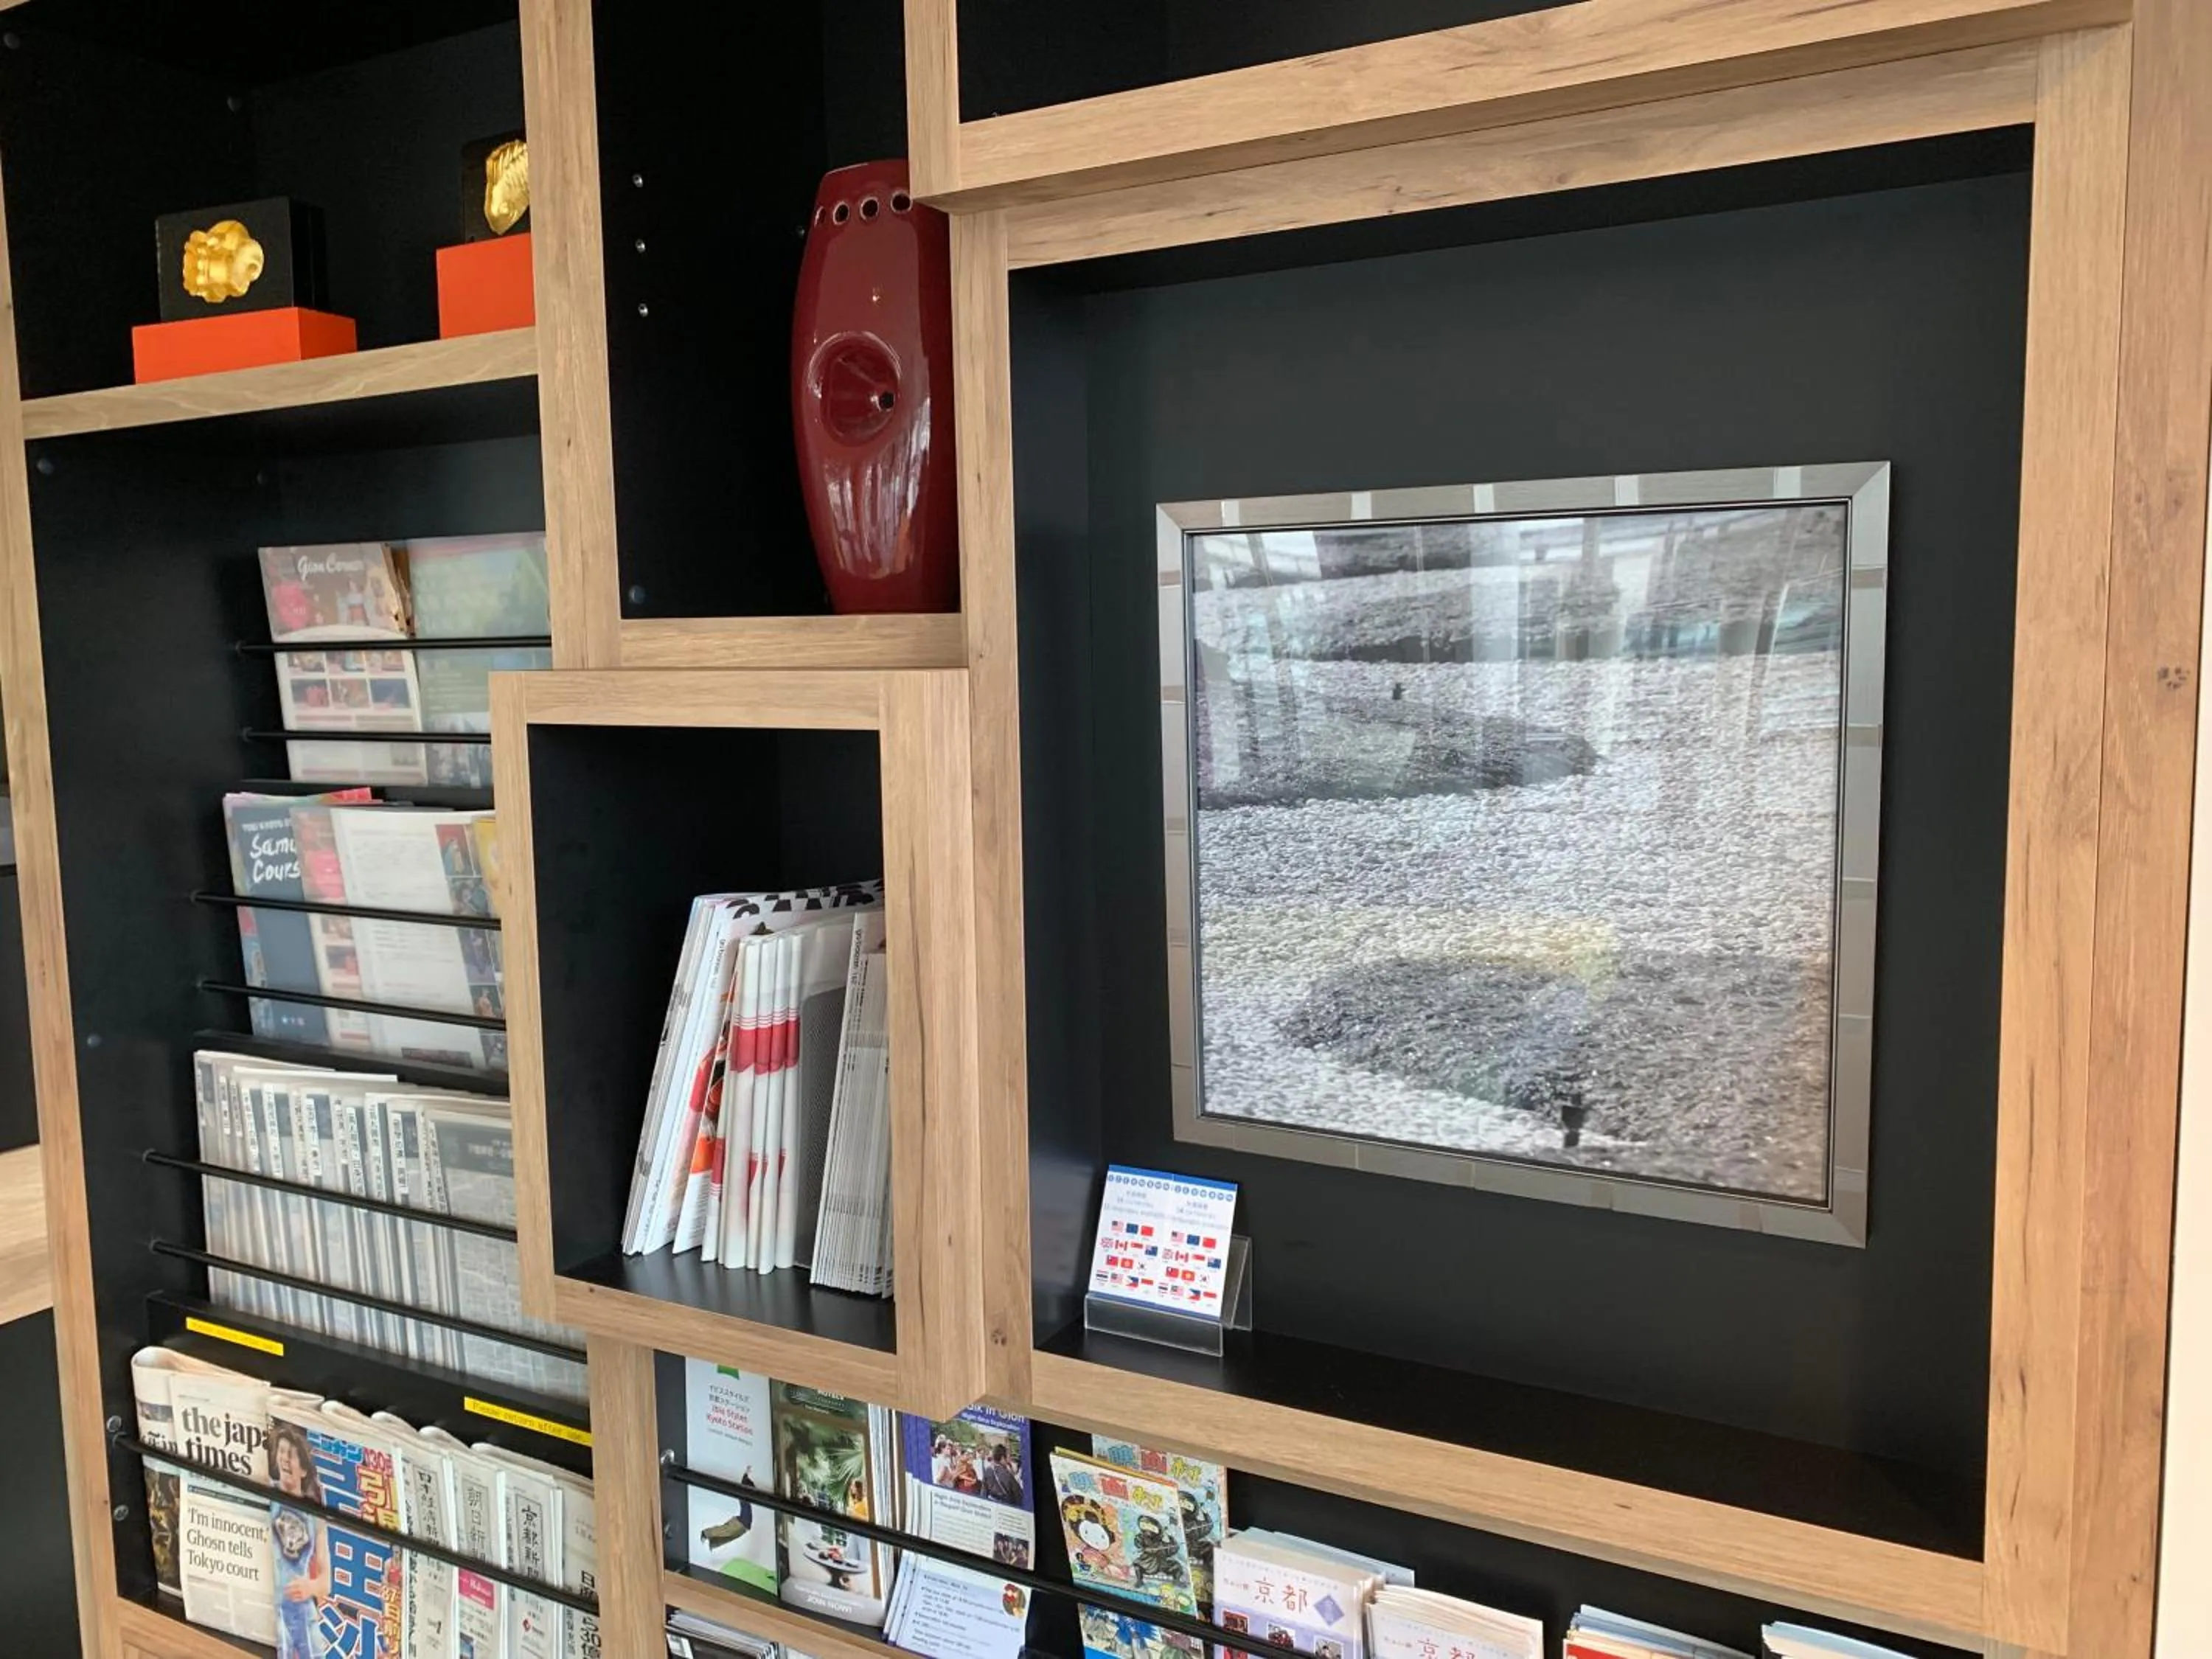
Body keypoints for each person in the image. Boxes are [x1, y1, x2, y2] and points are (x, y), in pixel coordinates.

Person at [270, 1421, 330, 1659]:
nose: (285, 1459)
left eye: (292, 1455)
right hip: (275, 1610)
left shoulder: (314, 1515)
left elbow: (327, 1581)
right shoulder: (267, 1491)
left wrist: (310, 1587)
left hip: (303, 1612)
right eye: (282, 1452)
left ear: (304, 1470)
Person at [981, 1442, 1023, 1506]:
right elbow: (1019, 1496)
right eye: (1009, 1456)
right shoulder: (1007, 1475)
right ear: (1003, 1458)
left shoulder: (988, 1470)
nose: (1010, 1458)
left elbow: (984, 1491)